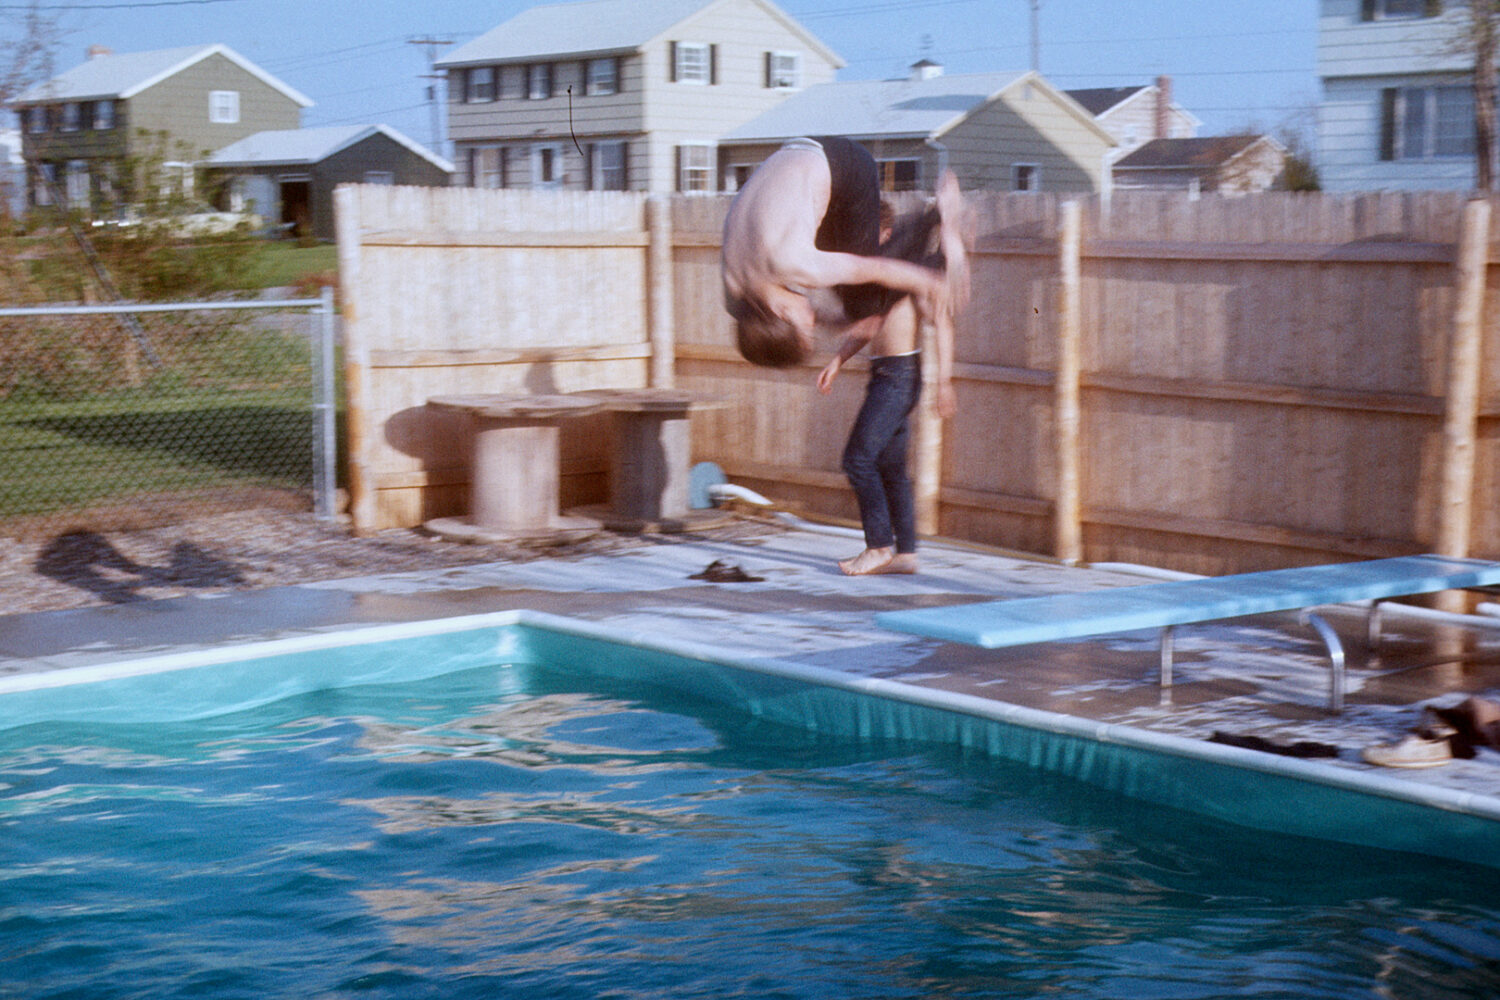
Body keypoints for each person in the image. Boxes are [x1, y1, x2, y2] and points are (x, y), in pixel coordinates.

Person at [721, 136, 966, 368]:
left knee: (864, 303)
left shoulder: (792, 261)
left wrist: (931, 283)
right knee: (847, 295)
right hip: (796, 155)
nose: (813, 323)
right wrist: (840, 323)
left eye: (808, 329)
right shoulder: (737, 300)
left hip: (849, 165)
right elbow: (787, 313)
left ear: (780, 312)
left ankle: (938, 216)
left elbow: (875, 268)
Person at [816, 192, 964, 576]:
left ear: (885, 232)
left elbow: (942, 322)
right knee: (890, 467)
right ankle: (906, 553)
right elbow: (869, 326)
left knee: (857, 459)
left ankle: (879, 545)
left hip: (899, 376)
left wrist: (945, 381)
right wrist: (837, 359)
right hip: (884, 374)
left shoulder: (908, 272)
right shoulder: (879, 277)